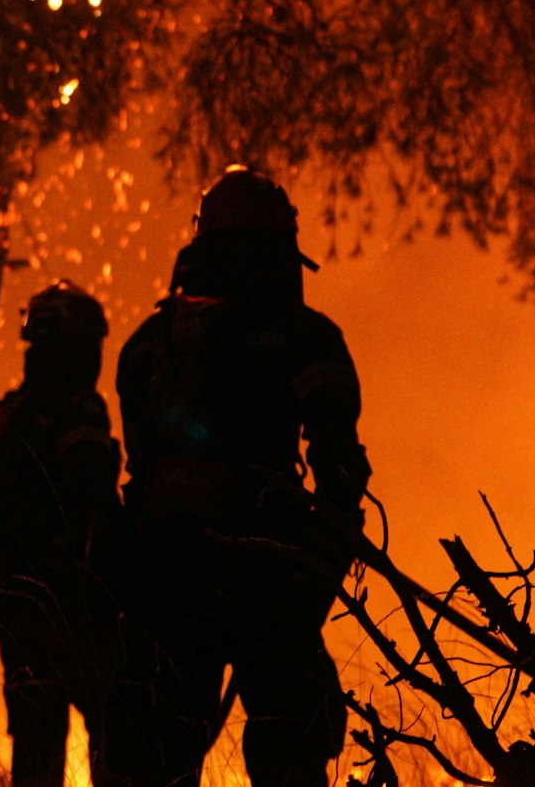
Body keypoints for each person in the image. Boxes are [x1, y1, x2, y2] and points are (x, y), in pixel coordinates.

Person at [100, 167, 370, 787]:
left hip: (163, 573)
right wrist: (316, 568)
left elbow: (138, 461)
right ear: (281, 242)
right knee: (291, 743)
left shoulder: (150, 342)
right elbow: (339, 464)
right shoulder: (306, 337)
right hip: (266, 573)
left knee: (157, 755)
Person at [0, 281, 123, 787]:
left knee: (36, 749)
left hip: (17, 608)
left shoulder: (1, 418)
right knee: (115, 733)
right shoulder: (81, 415)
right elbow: (93, 506)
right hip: (78, 605)